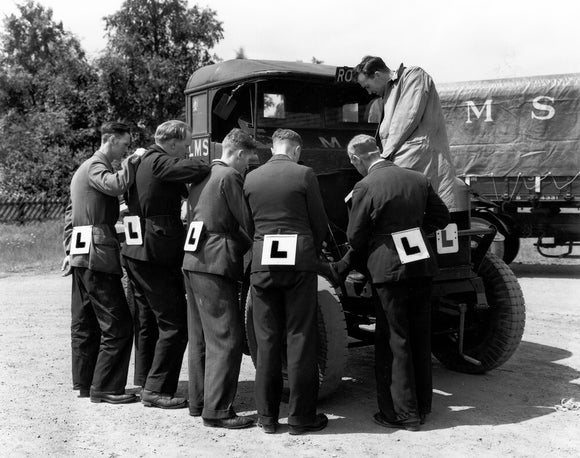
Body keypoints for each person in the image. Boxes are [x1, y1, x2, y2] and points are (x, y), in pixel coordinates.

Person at [344, 134, 450, 430]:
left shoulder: (365, 186)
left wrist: (383, 240)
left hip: (388, 270)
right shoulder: (418, 178)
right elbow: (441, 219)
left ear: (357, 158)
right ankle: (423, 406)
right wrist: (413, 231)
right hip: (421, 266)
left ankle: (402, 414)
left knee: (394, 339)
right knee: (419, 335)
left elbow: (355, 236)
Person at [243, 128, 329, 435]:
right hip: (299, 263)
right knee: (300, 338)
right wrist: (311, 251)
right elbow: (319, 222)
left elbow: (247, 222)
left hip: (262, 261)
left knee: (266, 341)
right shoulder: (304, 174)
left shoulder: (251, 177)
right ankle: (300, 418)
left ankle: (267, 418)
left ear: (272, 149)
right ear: (295, 150)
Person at [121, 120, 210, 409]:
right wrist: (209, 163)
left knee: (148, 321)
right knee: (174, 324)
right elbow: (195, 169)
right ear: (171, 142)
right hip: (154, 254)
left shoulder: (140, 161)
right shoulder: (158, 160)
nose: (186, 151)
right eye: (184, 145)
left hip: (137, 252)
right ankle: (156, 390)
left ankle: (146, 379)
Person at [182, 128, 257, 429]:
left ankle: (199, 401)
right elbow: (247, 220)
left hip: (193, 259)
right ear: (239, 154)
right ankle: (218, 410)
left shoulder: (203, 174)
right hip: (215, 261)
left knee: (200, 336)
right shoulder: (229, 177)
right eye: (248, 161)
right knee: (226, 337)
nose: (247, 166)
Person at [62, 121, 140, 404]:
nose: (126, 149)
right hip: (97, 255)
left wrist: (69, 250)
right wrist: (133, 162)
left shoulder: (82, 169)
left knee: (86, 323)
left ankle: (86, 382)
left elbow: (70, 213)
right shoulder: (97, 166)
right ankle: (105, 387)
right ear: (110, 140)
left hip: (83, 253)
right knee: (118, 323)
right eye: (124, 144)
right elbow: (116, 184)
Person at [354, 55, 458, 211]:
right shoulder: (387, 94)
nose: (369, 92)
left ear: (377, 75)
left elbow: (406, 118)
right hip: (408, 170)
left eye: (367, 86)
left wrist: (383, 158)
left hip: (420, 166)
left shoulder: (413, 75)